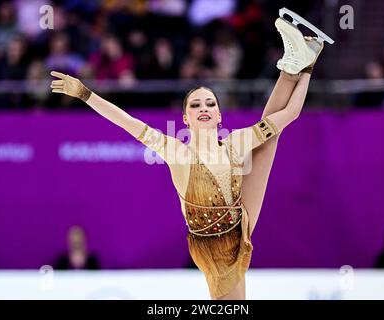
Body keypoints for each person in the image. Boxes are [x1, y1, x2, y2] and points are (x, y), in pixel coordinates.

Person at [50, 11, 329, 299]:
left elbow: (290, 114)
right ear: (185, 118)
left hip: (237, 223)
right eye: (196, 105)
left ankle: (292, 65)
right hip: (211, 246)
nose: (204, 108)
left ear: (219, 114)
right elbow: (127, 123)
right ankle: (296, 63)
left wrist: (309, 67)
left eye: (210, 103)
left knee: (269, 141)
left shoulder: (235, 142)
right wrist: (85, 94)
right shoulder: (177, 152)